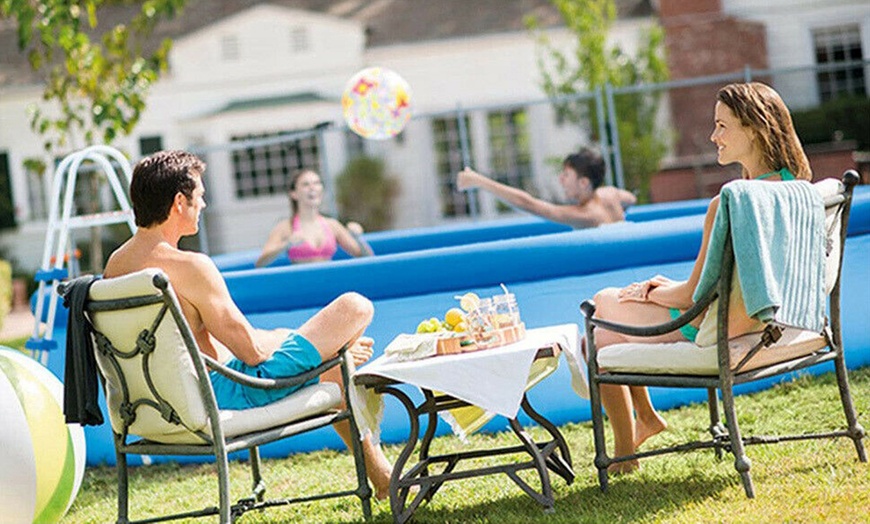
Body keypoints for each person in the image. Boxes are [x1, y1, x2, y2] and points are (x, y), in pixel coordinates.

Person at [103, 151, 392, 499]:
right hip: (221, 394)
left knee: (327, 365)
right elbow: (252, 354)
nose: (204, 203)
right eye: (201, 195)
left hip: (151, 408)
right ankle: (381, 472)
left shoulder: (115, 267)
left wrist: (286, 338)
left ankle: (383, 477)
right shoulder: (191, 267)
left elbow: (191, 345)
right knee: (354, 308)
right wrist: (324, 349)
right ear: (180, 201)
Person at [588, 82, 813, 474]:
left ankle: (626, 451)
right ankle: (639, 431)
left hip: (716, 327)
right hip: (769, 320)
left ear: (755, 129)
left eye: (722, 126)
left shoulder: (731, 201)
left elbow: (692, 296)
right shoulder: (797, 192)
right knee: (605, 334)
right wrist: (663, 290)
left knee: (602, 309)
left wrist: (655, 291)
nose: (713, 136)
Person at [456, 147, 636, 228]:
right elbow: (631, 198)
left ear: (583, 183)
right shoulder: (611, 194)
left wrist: (478, 181)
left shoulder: (587, 216)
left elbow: (529, 204)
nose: (561, 179)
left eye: (566, 175)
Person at [256, 169, 372, 267]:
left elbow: (368, 258)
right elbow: (261, 263)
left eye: (316, 183)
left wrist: (357, 238)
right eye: (306, 184)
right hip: (301, 286)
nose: (312, 188)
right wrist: (286, 244)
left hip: (328, 283)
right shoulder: (285, 227)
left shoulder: (332, 225)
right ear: (294, 194)